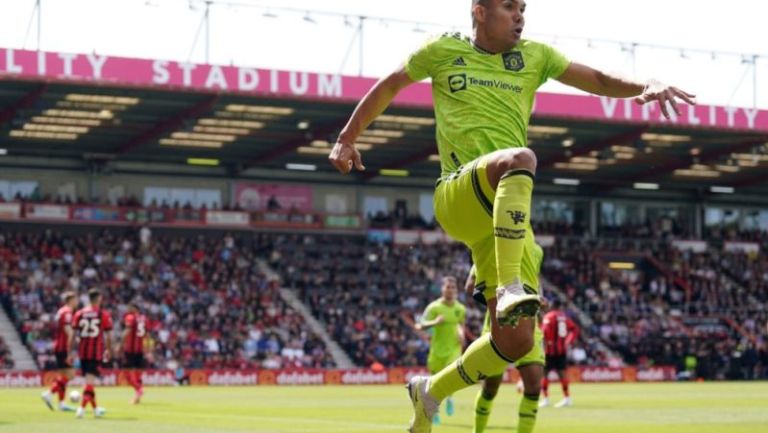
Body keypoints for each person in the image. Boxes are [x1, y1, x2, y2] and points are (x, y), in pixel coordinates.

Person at [329, 1, 694, 431]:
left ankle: (430, 392)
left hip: (503, 220)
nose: (520, 15)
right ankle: (508, 287)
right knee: (519, 158)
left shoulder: (535, 56)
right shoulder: (443, 50)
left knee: (516, 342)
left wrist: (644, 84)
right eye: (508, 7)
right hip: (458, 193)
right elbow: (391, 84)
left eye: (523, 8)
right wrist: (347, 138)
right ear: (479, 11)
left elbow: (597, 79)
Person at [467, 246, 545, 433]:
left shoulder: (537, 250)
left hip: (529, 324)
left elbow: (535, 278)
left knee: (534, 386)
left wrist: (540, 296)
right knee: (490, 388)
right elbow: (470, 285)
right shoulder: (491, 245)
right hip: (499, 325)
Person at [414, 276, 466, 425]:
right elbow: (419, 326)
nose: (450, 290)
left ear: (456, 290)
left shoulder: (460, 309)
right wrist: (434, 322)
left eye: (452, 287)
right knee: (434, 384)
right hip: (437, 350)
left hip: (454, 349)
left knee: (451, 375)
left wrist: (461, 333)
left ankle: (450, 398)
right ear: (442, 289)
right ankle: (434, 411)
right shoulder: (433, 308)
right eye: (447, 287)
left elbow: (461, 325)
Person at [71, 288, 113, 419]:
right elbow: (108, 335)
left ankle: (95, 410)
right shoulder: (103, 314)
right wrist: (109, 349)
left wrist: (70, 351)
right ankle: (81, 409)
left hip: (82, 352)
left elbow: (72, 335)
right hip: (95, 352)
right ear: (99, 298)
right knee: (89, 382)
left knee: (90, 381)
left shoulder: (79, 313)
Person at [41, 291, 78, 412]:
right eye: (75, 299)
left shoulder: (61, 311)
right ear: (70, 300)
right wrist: (76, 341)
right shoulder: (67, 312)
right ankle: (49, 393)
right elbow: (68, 330)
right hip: (64, 347)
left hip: (59, 346)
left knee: (63, 376)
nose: (77, 301)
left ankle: (61, 404)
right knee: (70, 375)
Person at [539, 298, 579, 408]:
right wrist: (568, 341)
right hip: (562, 350)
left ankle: (546, 399)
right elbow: (574, 329)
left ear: (552, 306)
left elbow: (544, 332)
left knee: (545, 374)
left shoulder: (549, 316)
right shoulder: (564, 317)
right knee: (562, 375)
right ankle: (567, 398)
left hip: (550, 351)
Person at [120, 302, 149, 404]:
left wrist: (120, 344)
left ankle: (139, 391)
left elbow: (127, 331)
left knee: (126, 373)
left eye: (129, 307)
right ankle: (137, 398)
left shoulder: (130, 317)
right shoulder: (144, 318)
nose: (127, 309)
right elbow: (146, 335)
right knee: (138, 376)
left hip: (130, 351)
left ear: (134, 308)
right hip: (140, 351)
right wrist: (148, 349)